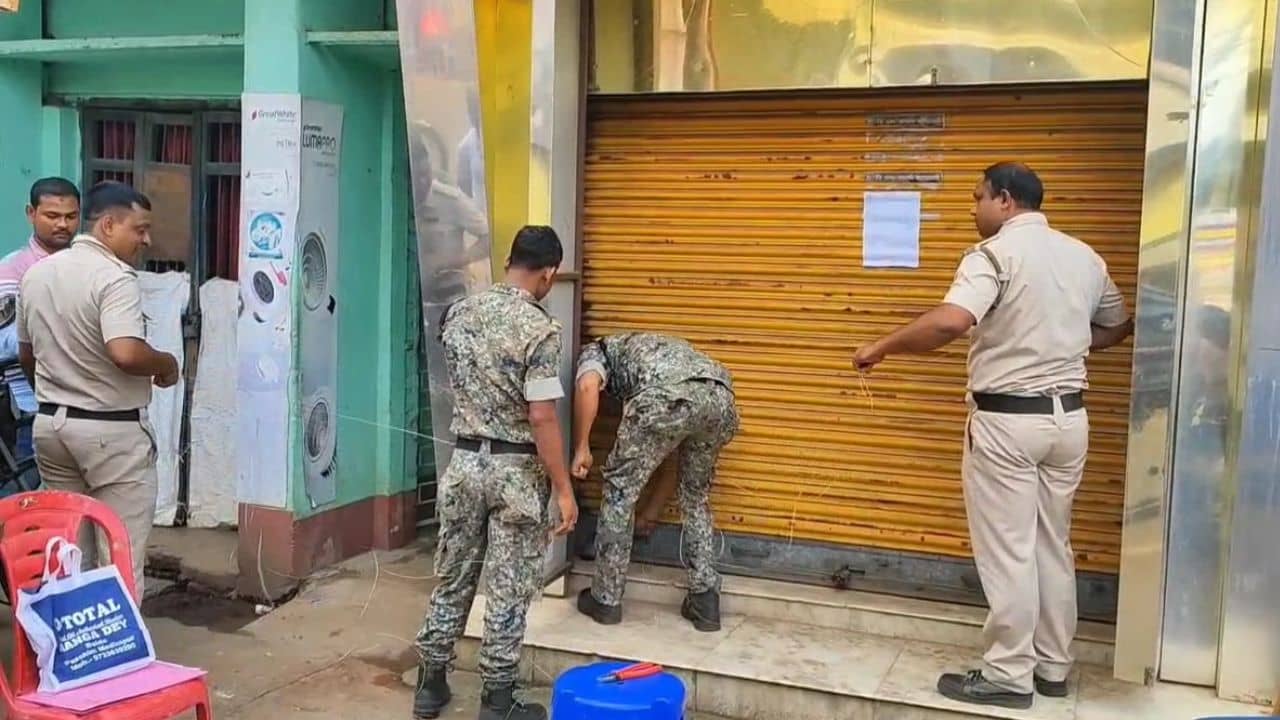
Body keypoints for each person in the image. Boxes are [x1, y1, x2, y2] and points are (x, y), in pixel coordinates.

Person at [853, 162, 1133, 710]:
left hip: (1008, 423)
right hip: (1068, 422)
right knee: (1053, 544)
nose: (972, 207)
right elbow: (1118, 326)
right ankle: (1053, 667)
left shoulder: (995, 255)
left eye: (978, 197)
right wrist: (1062, 345)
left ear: (1005, 201)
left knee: (1009, 551)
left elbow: (952, 321)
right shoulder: (1084, 256)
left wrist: (881, 347)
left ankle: (1007, 674)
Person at [412, 225, 577, 720]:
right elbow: (542, 415)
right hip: (515, 471)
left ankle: (431, 684)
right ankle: (498, 701)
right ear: (548, 274)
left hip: (463, 462)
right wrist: (564, 490)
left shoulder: (459, 313)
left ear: (510, 261)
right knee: (507, 585)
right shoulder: (540, 331)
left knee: (453, 574)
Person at [17, 182, 178, 595]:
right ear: (108, 225)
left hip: (52, 427)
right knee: (118, 553)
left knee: (68, 551)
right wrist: (165, 364)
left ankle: (71, 649)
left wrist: (56, 394)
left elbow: (26, 354)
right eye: (139, 229)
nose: (146, 239)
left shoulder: (36, 274)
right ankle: (114, 656)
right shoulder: (115, 278)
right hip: (111, 434)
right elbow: (124, 352)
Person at [571, 332, 740, 632]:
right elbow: (670, 451)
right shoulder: (658, 346)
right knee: (695, 496)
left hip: (666, 397)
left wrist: (582, 445)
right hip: (721, 399)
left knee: (620, 491)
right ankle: (705, 601)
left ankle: (606, 599)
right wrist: (651, 511)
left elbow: (587, 386)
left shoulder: (596, 350)